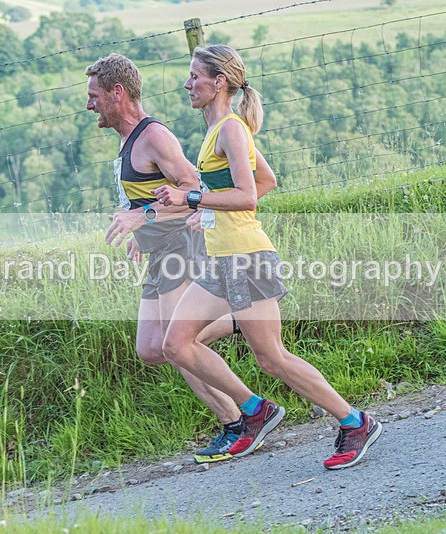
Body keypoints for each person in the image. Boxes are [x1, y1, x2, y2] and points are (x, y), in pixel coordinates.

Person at [154, 44, 382, 469]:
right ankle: (254, 410)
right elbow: (267, 180)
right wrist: (207, 211)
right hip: (222, 259)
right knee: (176, 343)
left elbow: (247, 196)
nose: (187, 84)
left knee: (272, 357)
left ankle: (355, 422)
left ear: (218, 82)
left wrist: (192, 198)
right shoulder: (218, 129)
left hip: (246, 257)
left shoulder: (231, 129)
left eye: (194, 76)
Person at [84, 53, 278, 463]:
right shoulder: (128, 140)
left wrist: (144, 218)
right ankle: (240, 321)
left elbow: (192, 190)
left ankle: (239, 420)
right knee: (151, 349)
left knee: (176, 343)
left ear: (117, 93)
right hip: (160, 250)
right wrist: (143, 230)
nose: (89, 105)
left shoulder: (154, 136)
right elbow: (153, 197)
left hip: (181, 247)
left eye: (94, 96)